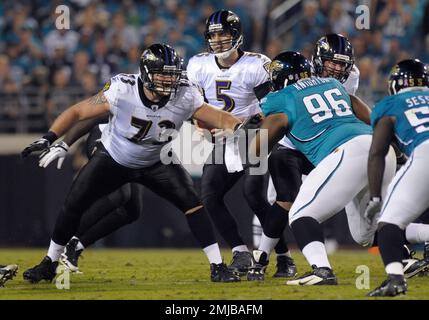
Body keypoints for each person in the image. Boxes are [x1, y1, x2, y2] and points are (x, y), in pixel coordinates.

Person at [21, 43, 243, 284]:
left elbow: (218, 117)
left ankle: (217, 267)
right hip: (114, 157)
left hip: (156, 160)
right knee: (73, 204)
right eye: (162, 74)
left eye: (172, 74)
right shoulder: (122, 89)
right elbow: (78, 112)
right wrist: (50, 137)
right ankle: (50, 262)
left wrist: (240, 127)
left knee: (193, 204)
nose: (168, 81)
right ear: (146, 72)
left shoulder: (185, 93)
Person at [250, 51, 397, 285]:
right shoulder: (332, 83)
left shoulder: (281, 97)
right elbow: (370, 115)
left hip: (346, 154)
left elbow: (255, 150)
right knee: (364, 235)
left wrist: (251, 131)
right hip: (379, 152)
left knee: (300, 213)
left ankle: (322, 270)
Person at [187, 9, 294, 277]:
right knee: (209, 195)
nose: (218, 39)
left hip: (255, 137)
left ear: (236, 35)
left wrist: (248, 121)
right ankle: (240, 252)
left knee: (254, 196)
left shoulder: (256, 65)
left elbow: (274, 107)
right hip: (224, 140)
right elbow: (191, 105)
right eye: (213, 34)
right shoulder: (198, 65)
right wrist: (201, 125)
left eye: (223, 33)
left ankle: (284, 257)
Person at [249, 33, 359, 280]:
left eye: (342, 64)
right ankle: (265, 256)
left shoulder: (345, 80)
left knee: (310, 206)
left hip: (327, 145)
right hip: (294, 144)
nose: (337, 68)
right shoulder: (299, 81)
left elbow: (348, 108)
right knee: (282, 199)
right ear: (316, 62)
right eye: (332, 62)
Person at [37, 116, 144, 273]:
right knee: (121, 193)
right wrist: (63, 142)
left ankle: (75, 247)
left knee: (133, 209)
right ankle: (59, 251)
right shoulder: (120, 93)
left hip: (130, 146)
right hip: (107, 137)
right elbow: (82, 112)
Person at [367, 59, 429, 297]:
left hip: (424, 151)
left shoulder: (391, 104)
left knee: (388, 224)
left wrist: (374, 196)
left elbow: (377, 153)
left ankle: (396, 279)